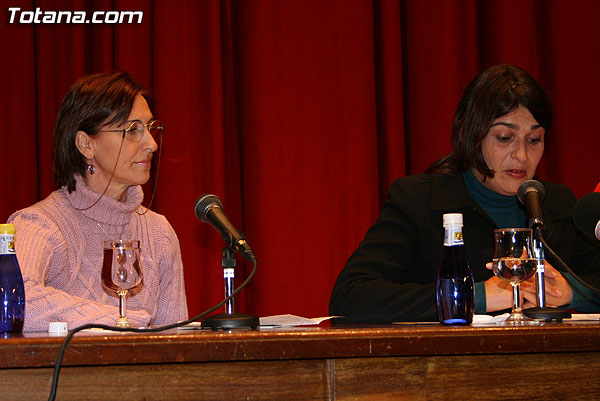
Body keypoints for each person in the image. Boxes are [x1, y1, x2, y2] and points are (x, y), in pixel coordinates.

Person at [329, 64, 600, 322]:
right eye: (505, 138)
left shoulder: (558, 204)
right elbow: (351, 295)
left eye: (534, 140)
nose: (521, 155)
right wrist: (475, 296)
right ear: (472, 134)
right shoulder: (418, 201)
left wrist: (572, 291)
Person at [9, 72, 188, 332]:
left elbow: (175, 344)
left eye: (150, 128)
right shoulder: (40, 225)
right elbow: (16, 301)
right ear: (85, 145)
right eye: (132, 130)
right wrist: (121, 320)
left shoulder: (158, 232)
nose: (151, 144)